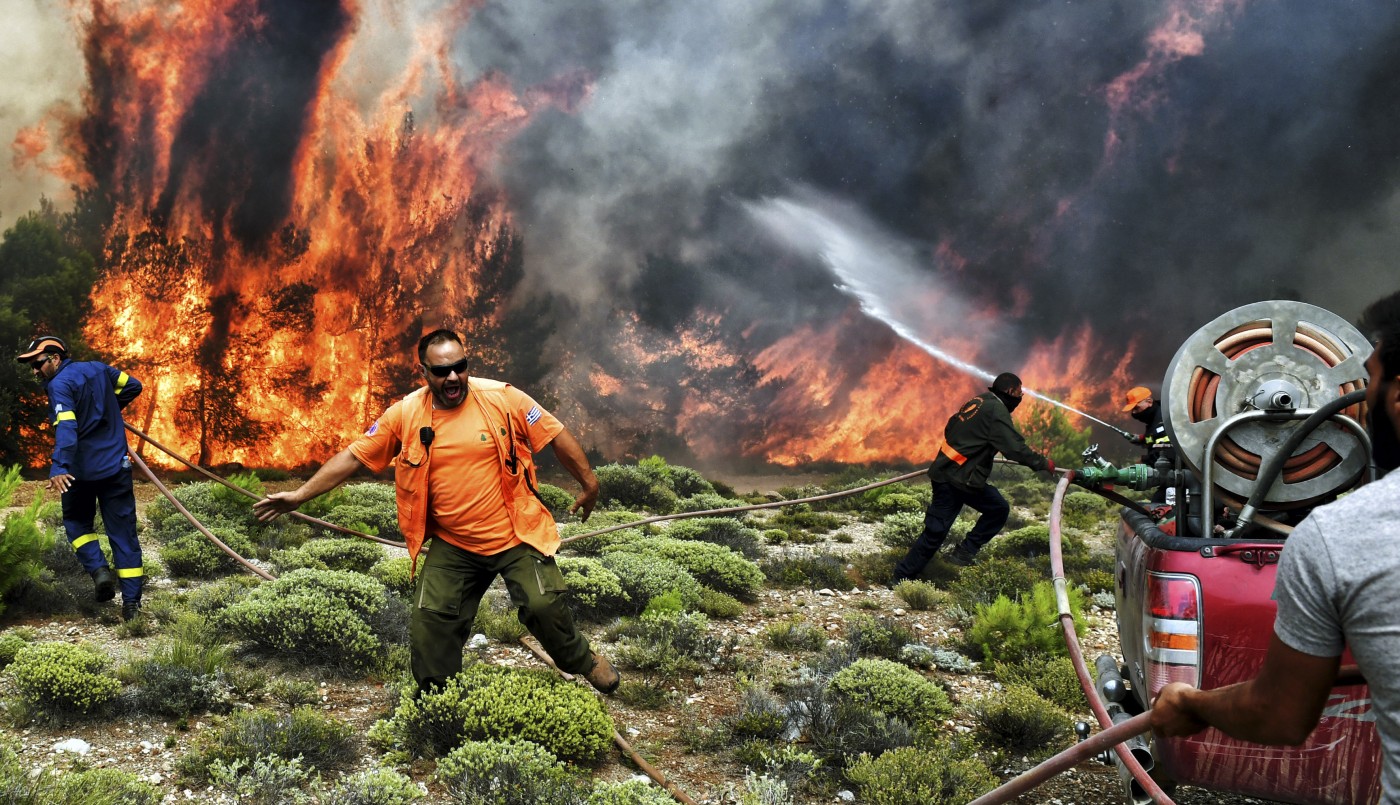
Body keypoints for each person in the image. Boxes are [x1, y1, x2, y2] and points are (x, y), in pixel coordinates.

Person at [253, 329, 618, 695]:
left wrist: (590, 484)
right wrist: (299, 495)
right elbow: (353, 456)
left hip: (515, 533)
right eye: (442, 371)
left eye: (460, 367)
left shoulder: (503, 398)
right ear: (424, 373)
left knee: (543, 607)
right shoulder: (406, 413)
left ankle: (583, 662)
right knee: (430, 624)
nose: (453, 377)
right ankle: (438, 702)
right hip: (454, 544)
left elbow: (554, 433)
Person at [1150, 288, 1400, 802]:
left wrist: (1193, 704)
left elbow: (1280, 714)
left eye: (1368, 380)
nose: (1356, 399)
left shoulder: (1341, 537)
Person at [16, 335, 145, 620]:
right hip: (116, 468)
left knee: (76, 523)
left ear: (55, 358)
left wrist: (60, 466)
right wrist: (107, 411)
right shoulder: (100, 369)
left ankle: (99, 571)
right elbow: (133, 386)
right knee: (123, 533)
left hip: (80, 473)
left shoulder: (58, 384)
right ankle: (132, 605)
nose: (35, 371)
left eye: (38, 364)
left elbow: (67, 427)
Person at [891, 372, 1054, 581]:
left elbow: (950, 426)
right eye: (1019, 393)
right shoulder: (996, 409)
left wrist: (974, 449)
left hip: (960, 478)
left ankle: (963, 552)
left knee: (998, 507)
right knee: (935, 532)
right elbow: (1015, 448)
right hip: (954, 480)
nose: (1020, 398)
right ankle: (901, 577)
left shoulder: (979, 401)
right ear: (1010, 391)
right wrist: (1043, 463)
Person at [1120, 386, 1173, 503]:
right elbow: (1153, 438)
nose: (1134, 413)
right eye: (1132, 410)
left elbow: (1167, 450)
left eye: (1136, 408)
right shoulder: (1152, 419)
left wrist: (1144, 461)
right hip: (1168, 477)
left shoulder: (1164, 419)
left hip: (1176, 475)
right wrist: (1142, 439)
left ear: (1149, 402)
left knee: (1160, 505)